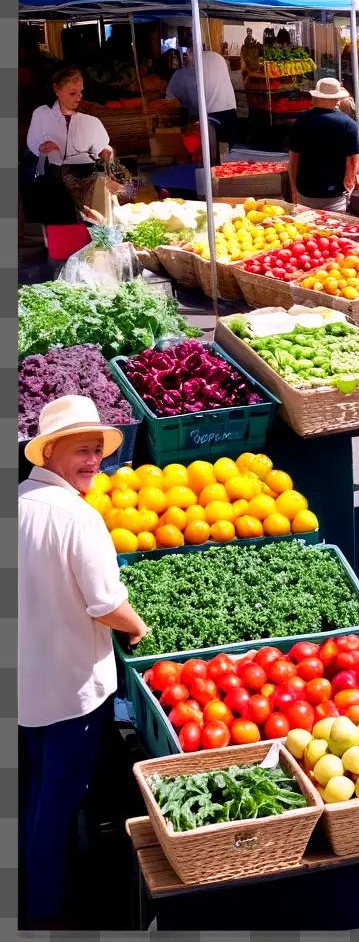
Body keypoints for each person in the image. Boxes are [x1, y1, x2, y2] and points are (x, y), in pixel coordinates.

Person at [19, 396, 149, 929]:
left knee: (35, 791)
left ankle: (32, 881)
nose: (93, 461)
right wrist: (139, 627)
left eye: (97, 451)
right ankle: (44, 908)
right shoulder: (80, 517)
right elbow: (106, 605)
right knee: (58, 801)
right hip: (71, 690)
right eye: (81, 451)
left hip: (26, 686)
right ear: (49, 452)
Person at [25, 66, 114, 250]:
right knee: (61, 236)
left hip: (84, 181)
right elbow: (34, 144)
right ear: (57, 90)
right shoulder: (42, 115)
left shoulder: (89, 122)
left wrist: (107, 153)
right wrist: (43, 147)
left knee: (89, 235)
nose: (78, 97)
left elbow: (103, 151)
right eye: (72, 93)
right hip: (53, 183)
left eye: (80, 92)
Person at [288, 78, 359, 212]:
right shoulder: (349, 125)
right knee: (333, 231)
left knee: (306, 231)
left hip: (305, 192)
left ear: (317, 97)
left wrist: (294, 189)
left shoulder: (301, 121)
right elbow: (353, 162)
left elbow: (293, 159)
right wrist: (349, 187)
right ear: (336, 100)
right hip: (335, 194)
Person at [199, 45, 238, 152]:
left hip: (211, 109)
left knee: (213, 148)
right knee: (229, 147)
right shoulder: (218, 57)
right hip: (228, 104)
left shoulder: (196, 59)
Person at [165, 51, 199, 118]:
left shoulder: (179, 75)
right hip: (196, 115)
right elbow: (170, 102)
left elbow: (169, 100)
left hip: (192, 116)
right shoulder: (179, 75)